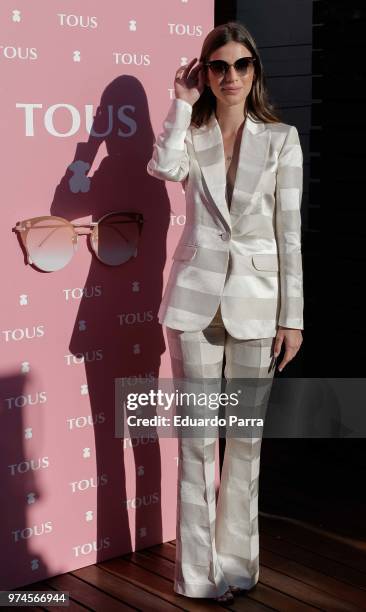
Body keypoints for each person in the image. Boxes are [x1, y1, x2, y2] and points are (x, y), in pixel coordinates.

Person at [147, 21, 304, 604]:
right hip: (192, 305)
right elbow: (163, 170)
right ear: (204, 73)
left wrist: (294, 317)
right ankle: (197, 574)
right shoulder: (193, 130)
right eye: (218, 66)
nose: (230, 76)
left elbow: (289, 235)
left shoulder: (282, 138)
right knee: (195, 440)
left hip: (258, 307)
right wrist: (179, 104)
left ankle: (237, 565)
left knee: (244, 443)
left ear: (254, 71)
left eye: (241, 65)